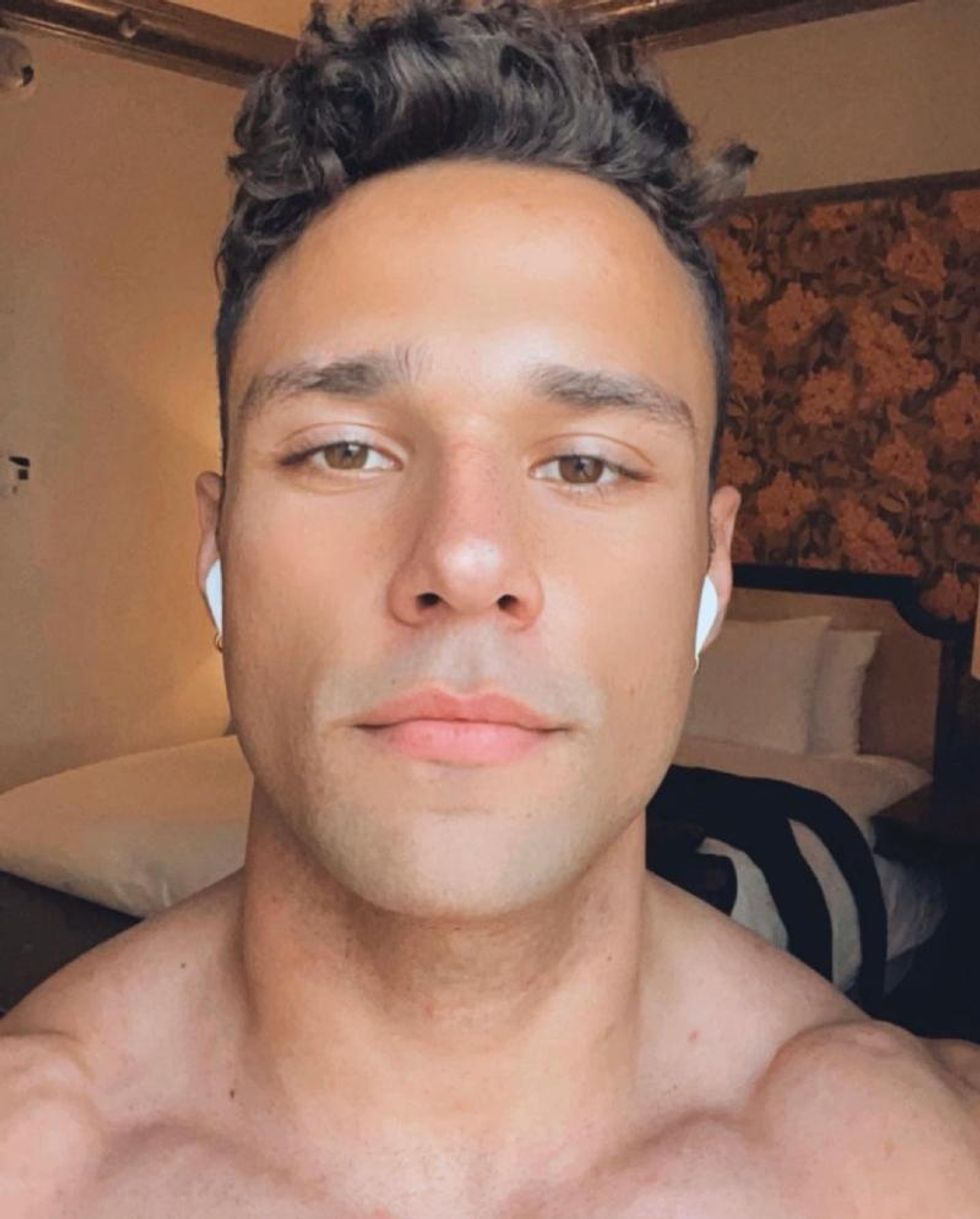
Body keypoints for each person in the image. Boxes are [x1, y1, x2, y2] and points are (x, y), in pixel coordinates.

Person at [3, 0, 979, 1213]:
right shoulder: (35, 1161)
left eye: (585, 464)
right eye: (345, 450)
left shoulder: (913, 1168)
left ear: (709, 572)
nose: (464, 558)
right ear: (217, 554)